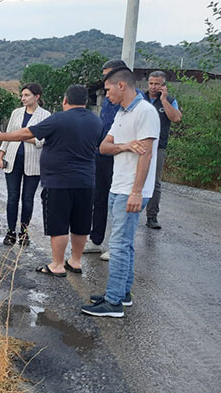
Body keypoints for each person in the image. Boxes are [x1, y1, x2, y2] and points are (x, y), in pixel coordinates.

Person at [0, 85, 102, 277]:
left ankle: (57, 264)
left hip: (59, 181)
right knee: (81, 223)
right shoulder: (96, 121)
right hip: (86, 180)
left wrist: (1, 136)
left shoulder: (57, 118)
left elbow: (27, 133)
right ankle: (75, 261)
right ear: (86, 101)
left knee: (59, 223)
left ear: (65, 100)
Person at [81, 66, 160, 318]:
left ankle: (113, 303)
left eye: (108, 90)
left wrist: (137, 192)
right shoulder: (123, 112)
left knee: (119, 244)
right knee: (124, 244)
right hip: (119, 185)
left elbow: (145, 155)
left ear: (121, 86)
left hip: (131, 190)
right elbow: (104, 147)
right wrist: (125, 146)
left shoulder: (145, 112)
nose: (107, 95)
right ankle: (122, 293)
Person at [0, 84, 51, 246]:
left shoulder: (45, 115)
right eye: (22, 95)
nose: (23, 98)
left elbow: (40, 140)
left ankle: (24, 233)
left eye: (27, 95)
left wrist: (19, 136)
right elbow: (7, 135)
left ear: (37, 96)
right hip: (13, 159)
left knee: (27, 199)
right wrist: (1, 155)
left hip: (33, 161)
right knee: (12, 197)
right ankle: (10, 232)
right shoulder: (16, 113)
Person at [83, 59, 127, 256]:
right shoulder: (110, 97)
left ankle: (116, 246)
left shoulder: (133, 99)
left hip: (119, 155)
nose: (104, 80)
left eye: (107, 74)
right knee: (98, 198)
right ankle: (96, 240)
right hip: (100, 154)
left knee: (117, 201)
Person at [141, 70, 182, 230]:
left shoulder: (170, 101)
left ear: (163, 85)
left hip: (158, 147)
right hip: (138, 144)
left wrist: (164, 99)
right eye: (151, 83)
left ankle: (152, 216)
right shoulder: (140, 98)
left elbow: (176, 118)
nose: (153, 86)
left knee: (155, 182)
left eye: (157, 84)